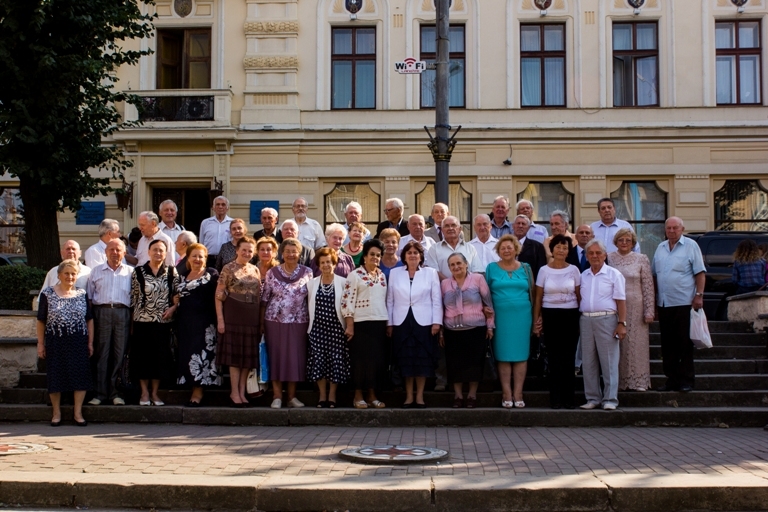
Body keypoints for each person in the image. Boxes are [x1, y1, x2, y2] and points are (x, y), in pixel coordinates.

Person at [37, 259, 94, 426]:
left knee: (80, 376)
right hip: (56, 342)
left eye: (73, 274)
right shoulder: (48, 294)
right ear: (59, 275)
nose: (70, 277)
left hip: (78, 342)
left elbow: (89, 320)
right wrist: (41, 343)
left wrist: (90, 343)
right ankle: (56, 413)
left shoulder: (82, 294)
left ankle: (78, 413)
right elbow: (41, 320)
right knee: (56, 377)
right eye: (67, 273)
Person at [652, 216, 705, 393]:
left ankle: (686, 380)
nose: (672, 231)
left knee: (684, 343)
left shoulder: (691, 246)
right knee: (667, 345)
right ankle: (671, 380)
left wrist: (699, 295)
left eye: (675, 228)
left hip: (684, 302)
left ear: (682, 229)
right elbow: (654, 275)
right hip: (664, 303)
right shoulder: (660, 247)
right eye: (669, 228)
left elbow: (700, 273)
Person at [386, 241, 442, 408]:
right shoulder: (395, 273)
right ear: (404, 256)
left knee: (421, 360)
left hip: (424, 322)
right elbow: (390, 300)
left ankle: (420, 396)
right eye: (409, 252)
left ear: (420, 256)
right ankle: (409, 396)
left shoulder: (430, 273)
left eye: (415, 253)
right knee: (406, 360)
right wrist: (389, 323)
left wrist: (436, 322)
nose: (412, 255)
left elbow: (436, 299)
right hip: (401, 322)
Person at [261, 238, 314, 408]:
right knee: (276, 356)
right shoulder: (272, 272)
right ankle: (277, 396)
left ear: (299, 254)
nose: (291, 254)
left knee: (295, 358)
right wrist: (261, 323)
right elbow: (264, 299)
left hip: (299, 321)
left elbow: (311, 298)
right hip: (274, 320)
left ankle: (291, 397)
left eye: (294, 251)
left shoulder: (307, 272)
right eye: (288, 251)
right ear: (282, 253)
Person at [532, 234, 581, 409]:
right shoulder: (544, 270)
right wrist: (536, 320)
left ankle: (569, 399)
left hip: (570, 316)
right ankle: (556, 399)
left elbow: (578, 295)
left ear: (569, 251)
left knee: (568, 358)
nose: (561, 250)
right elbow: (538, 298)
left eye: (565, 247)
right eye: (558, 247)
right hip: (550, 315)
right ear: (552, 250)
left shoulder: (574, 270)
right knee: (553, 358)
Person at [485, 234, 535, 408]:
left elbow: (533, 293)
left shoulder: (526, 268)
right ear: (498, 251)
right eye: (503, 248)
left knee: (521, 356)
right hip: (501, 318)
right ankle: (506, 393)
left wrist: (537, 318)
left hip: (523, 317)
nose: (506, 250)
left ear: (516, 249)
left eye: (509, 247)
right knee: (503, 356)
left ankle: (518, 393)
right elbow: (485, 295)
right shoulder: (491, 268)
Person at [440, 252, 495, 409]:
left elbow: (488, 304)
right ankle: (458, 396)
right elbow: (441, 309)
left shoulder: (478, 279)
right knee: (454, 364)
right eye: (452, 265)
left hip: (475, 328)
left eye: (459, 263)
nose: (456, 267)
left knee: (474, 364)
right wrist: (442, 332)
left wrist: (490, 326)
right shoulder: (445, 284)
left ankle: (471, 395)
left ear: (466, 264)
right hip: (452, 330)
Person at [130, 239, 180, 406]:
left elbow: (177, 297)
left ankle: (155, 393)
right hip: (142, 321)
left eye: (161, 250)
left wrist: (173, 309)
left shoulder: (172, 272)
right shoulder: (138, 272)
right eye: (155, 250)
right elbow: (134, 298)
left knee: (160, 358)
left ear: (166, 253)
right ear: (149, 252)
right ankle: (144, 393)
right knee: (143, 358)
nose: (158, 253)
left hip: (163, 322)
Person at [579, 239, 627, 410]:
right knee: (589, 361)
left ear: (605, 255)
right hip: (586, 319)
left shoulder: (614, 274)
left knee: (609, 361)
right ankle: (592, 398)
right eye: (590, 253)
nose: (594, 256)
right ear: (586, 256)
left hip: (607, 319)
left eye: (598, 253)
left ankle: (610, 399)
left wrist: (621, 323)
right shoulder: (583, 275)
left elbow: (621, 301)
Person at [342, 239, 388, 409]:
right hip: (360, 324)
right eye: (372, 255)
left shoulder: (382, 276)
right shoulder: (355, 275)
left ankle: (372, 395)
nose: (375, 258)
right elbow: (347, 300)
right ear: (365, 256)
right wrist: (350, 325)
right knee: (360, 361)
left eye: (378, 255)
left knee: (375, 361)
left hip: (379, 322)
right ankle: (358, 395)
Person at [216, 237, 261, 408]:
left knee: (246, 359)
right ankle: (234, 392)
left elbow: (258, 295)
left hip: (251, 316)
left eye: (250, 250)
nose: (247, 253)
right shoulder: (228, 268)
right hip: (233, 315)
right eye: (244, 250)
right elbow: (218, 295)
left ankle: (242, 392)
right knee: (234, 357)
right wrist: (221, 320)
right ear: (237, 250)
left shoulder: (255, 270)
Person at [86, 239, 133, 406]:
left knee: (119, 354)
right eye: (111, 249)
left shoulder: (131, 272)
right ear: (105, 252)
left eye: (118, 250)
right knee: (101, 354)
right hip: (101, 313)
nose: (114, 252)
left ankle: (116, 393)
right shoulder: (96, 272)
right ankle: (99, 394)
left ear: (124, 252)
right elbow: (90, 299)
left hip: (123, 313)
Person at [609, 228, 655, 392]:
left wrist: (649, 310)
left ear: (633, 243)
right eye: (621, 240)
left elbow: (648, 285)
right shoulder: (609, 257)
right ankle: (620, 382)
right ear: (616, 242)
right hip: (615, 305)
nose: (624, 243)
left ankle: (639, 381)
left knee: (637, 344)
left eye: (628, 240)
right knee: (619, 344)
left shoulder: (641, 259)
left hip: (637, 305)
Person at [176, 243, 221, 406]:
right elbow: (178, 296)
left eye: (200, 256)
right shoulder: (183, 275)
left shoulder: (212, 274)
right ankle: (189, 386)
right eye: (194, 256)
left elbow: (218, 297)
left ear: (206, 258)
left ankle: (198, 392)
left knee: (202, 354)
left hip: (205, 322)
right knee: (188, 354)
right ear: (188, 258)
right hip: (185, 323)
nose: (197, 259)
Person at [306, 248, 349, 408]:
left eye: (328, 262)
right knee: (319, 361)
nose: (325, 265)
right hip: (317, 329)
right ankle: (322, 396)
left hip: (336, 329)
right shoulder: (311, 284)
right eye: (322, 262)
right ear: (318, 264)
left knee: (335, 361)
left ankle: (332, 396)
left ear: (334, 263)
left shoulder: (343, 282)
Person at [425, 216, 483, 280]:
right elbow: (434, 272)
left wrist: (465, 284)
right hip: (444, 289)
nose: (450, 228)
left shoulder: (470, 248)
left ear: (460, 229)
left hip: (469, 288)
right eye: (447, 226)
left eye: (453, 225)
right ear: (442, 230)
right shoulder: (434, 249)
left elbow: (476, 271)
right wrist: (450, 284)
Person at [199, 195, 233, 267]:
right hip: (209, 259)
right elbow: (201, 242)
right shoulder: (205, 222)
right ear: (213, 208)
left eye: (223, 204)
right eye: (217, 204)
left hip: (227, 258)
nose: (220, 207)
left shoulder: (232, 223)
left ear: (227, 208)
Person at [513, 215, 547, 280]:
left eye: (523, 224)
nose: (520, 226)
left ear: (528, 228)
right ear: (513, 226)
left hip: (528, 284)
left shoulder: (537, 247)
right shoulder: (505, 245)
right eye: (518, 223)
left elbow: (540, 270)